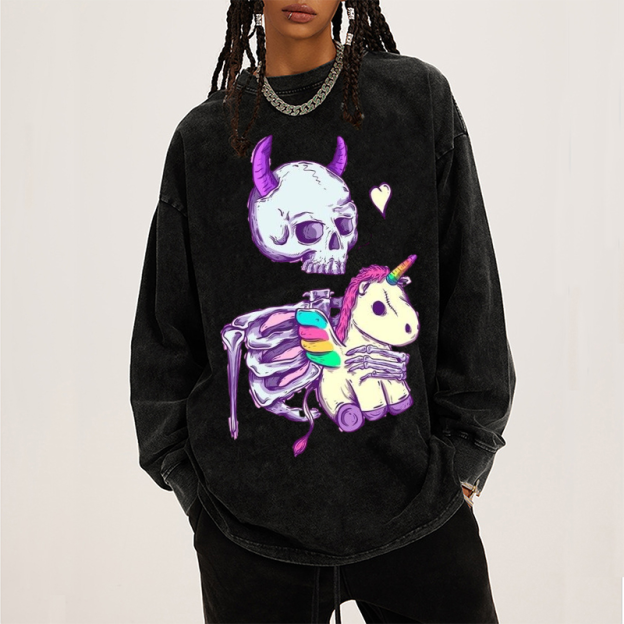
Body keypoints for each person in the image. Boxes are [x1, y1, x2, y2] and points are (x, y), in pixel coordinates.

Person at [129, 0, 516, 622]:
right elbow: (164, 334)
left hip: (418, 512)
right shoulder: (204, 140)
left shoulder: (417, 103)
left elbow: (470, 289)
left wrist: (467, 460)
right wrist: (194, 491)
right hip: (250, 536)